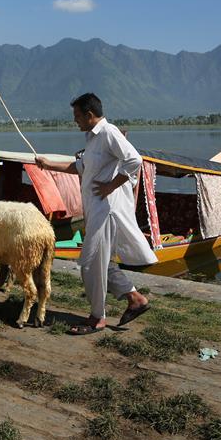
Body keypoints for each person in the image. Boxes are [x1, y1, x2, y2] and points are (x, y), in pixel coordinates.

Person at [35, 92, 155, 333]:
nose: (75, 120)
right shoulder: (92, 139)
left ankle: (98, 318)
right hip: (96, 210)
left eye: (78, 116)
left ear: (90, 115)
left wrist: (112, 184)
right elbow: (79, 167)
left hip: (107, 211)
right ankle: (135, 299)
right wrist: (48, 165)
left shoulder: (109, 133)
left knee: (90, 263)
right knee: (101, 262)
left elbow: (134, 160)